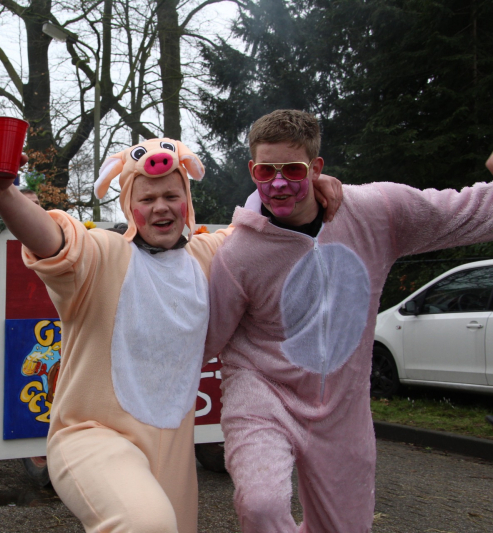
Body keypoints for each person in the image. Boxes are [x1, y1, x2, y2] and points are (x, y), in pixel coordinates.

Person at [0, 135, 342, 532]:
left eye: (171, 195)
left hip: (173, 451)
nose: (161, 207)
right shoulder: (104, 255)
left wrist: (314, 189)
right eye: (146, 199)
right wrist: (4, 195)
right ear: (130, 207)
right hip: (93, 437)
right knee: (146, 524)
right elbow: (53, 240)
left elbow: (262, 222)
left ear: (187, 201)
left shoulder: (209, 256)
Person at [204, 109, 493, 533]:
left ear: (317, 167)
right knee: (262, 506)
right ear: (252, 170)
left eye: (293, 170)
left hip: (343, 405)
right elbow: (207, 339)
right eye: (267, 170)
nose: (278, 183)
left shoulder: (377, 211)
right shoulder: (239, 254)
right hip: (263, 395)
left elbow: (464, 212)